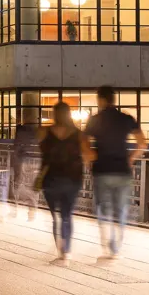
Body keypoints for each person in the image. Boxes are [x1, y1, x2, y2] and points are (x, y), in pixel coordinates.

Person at [83, 85, 148, 260]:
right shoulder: (126, 119)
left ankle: (108, 242)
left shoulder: (94, 120)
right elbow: (142, 143)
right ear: (114, 99)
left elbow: (83, 143)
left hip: (102, 170)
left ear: (101, 100)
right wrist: (131, 158)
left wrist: (91, 157)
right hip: (122, 171)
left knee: (104, 208)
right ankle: (116, 246)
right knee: (120, 209)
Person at [40, 102, 92, 263]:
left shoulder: (44, 132)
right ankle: (66, 252)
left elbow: (40, 151)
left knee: (55, 217)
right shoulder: (79, 134)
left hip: (51, 179)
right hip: (72, 178)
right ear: (69, 114)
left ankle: (60, 250)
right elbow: (89, 155)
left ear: (54, 114)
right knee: (66, 215)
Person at [7, 121, 41, 220]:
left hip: (22, 162)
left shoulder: (20, 133)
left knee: (17, 185)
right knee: (32, 187)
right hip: (35, 162)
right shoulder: (35, 134)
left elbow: (17, 150)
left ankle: (14, 211)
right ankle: (32, 212)